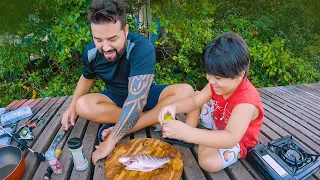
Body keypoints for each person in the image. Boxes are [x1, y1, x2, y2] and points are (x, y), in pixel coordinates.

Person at [60, 0, 194, 165]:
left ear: (126, 30)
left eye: (113, 38)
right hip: (116, 100)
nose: (106, 47)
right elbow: (87, 78)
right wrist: (72, 107)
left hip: (146, 97)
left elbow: (136, 101)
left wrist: (111, 140)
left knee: (186, 91)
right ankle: (151, 120)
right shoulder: (91, 52)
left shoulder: (141, 47)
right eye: (98, 39)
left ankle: (133, 123)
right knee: (82, 105)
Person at [158, 32, 264, 172]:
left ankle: (193, 135)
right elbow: (195, 101)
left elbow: (230, 138)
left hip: (236, 138)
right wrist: (174, 107)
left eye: (218, 78)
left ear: (239, 76)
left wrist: (188, 132)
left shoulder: (246, 102)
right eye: (209, 74)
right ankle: (191, 137)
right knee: (197, 95)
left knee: (208, 163)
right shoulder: (215, 84)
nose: (211, 80)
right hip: (218, 120)